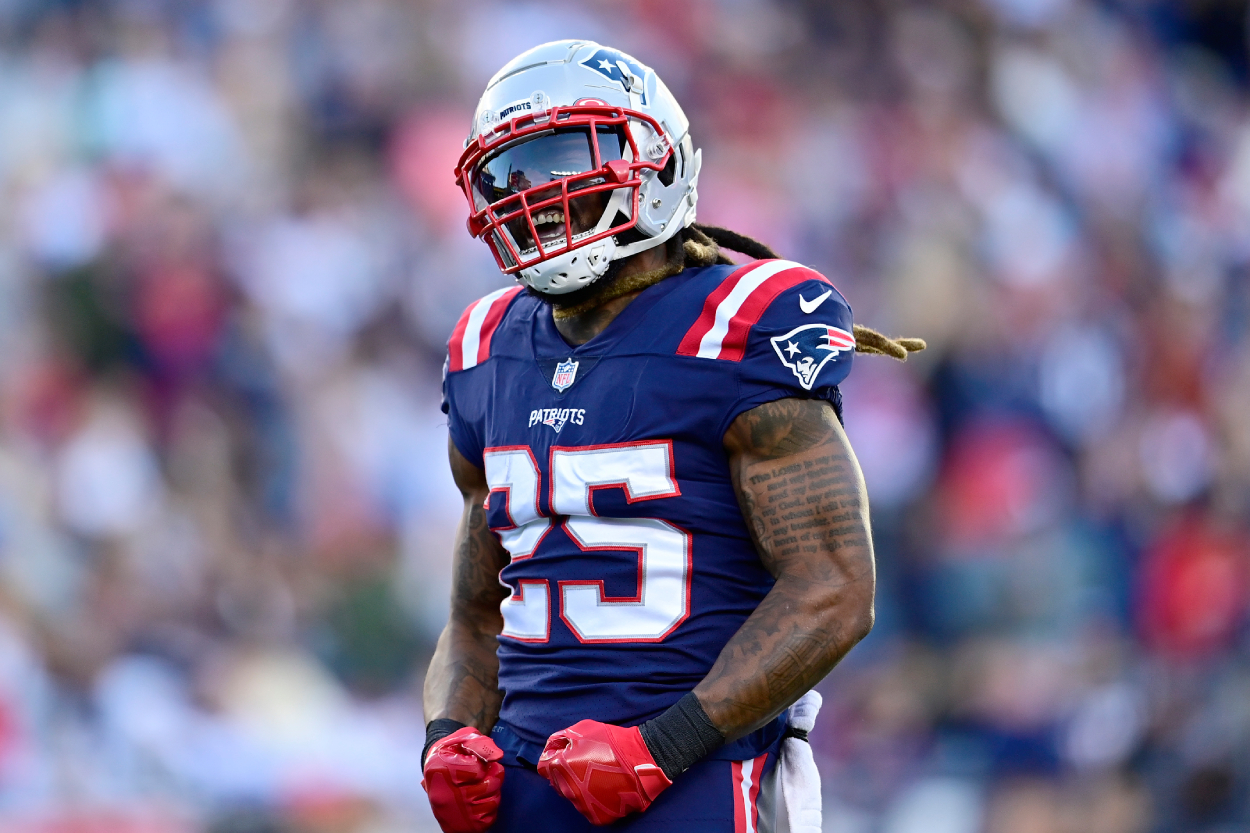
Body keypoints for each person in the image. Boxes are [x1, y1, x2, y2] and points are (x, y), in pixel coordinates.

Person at [420, 40, 922, 833]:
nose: (537, 195)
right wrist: (448, 737)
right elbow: (476, 613)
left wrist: (662, 745)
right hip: (523, 774)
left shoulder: (740, 323)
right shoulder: (487, 346)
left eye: (563, 160)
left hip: (694, 774)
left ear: (653, 163)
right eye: (514, 172)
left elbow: (833, 586)